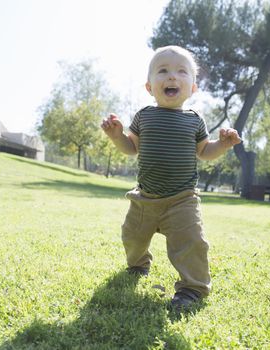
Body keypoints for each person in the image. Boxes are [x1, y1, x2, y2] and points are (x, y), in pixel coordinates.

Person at [101, 45, 241, 309]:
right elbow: (132, 148)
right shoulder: (144, 116)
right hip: (145, 198)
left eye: (181, 72)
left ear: (193, 88)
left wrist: (222, 145)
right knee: (132, 237)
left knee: (191, 243)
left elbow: (204, 152)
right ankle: (138, 264)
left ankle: (193, 289)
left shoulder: (194, 121)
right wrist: (117, 136)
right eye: (162, 71)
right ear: (149, 87)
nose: (172, 77)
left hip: (182, 199)